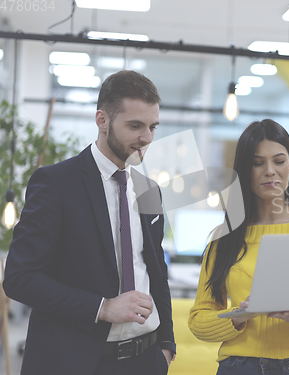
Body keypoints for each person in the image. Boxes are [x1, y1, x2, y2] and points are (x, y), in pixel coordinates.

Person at [3, 70, 175, 375]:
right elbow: (19, 277)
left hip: (145, 359)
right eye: (135, 125)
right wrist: (103, 307)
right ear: (102, 120)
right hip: (75, 361)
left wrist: (166, 347)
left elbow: (156, 272)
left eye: (152, 127)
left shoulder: (149, 189)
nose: (146, 137)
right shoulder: (55, 183)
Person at [188, 119, 289, 375]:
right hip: (240, 366)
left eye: (278, 161)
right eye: (257, 163)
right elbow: (199, 320)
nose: (269, 171)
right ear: (245, 169)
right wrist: (238, 315)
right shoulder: (224, 238)